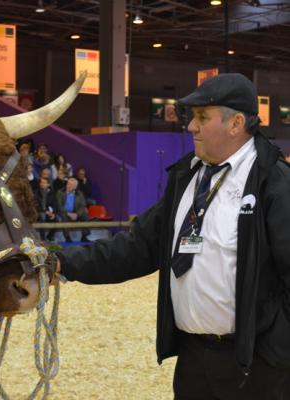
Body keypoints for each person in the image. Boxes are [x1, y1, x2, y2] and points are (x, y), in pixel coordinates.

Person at [51, 73, 290, 399]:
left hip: (257, 366)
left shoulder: (274, 182)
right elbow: (136, 248)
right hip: (193, 360)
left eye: (202, 118)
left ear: (235, 124)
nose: (191, 126)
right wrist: (60, 261)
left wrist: (277, 350)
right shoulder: (186, 178)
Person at [56, 177, 90, 242]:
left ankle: (84, 236)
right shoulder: (60, 192)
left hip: (75, 213)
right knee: (63, 217)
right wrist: (68, 214)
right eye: (68, 184)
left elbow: (82, 206)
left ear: (75, 187)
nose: (68, 186)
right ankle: (67, 238)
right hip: (64, 213)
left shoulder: (79, 194)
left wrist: (77, 214)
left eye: (71, 185)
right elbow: (59, 206)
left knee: (85, 214)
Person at [34, 177, 59, 241]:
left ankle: (50, 236)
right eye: (41, 182)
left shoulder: (52, 193)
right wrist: (45, 211)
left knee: (57, 219)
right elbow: (35, 205)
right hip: (39, 212)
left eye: (44, 183)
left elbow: (55, 205)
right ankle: (43, 239)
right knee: (42, 217)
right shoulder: (36, 192)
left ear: (48, 184)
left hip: (49, 212)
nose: (42, 184)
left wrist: (54, 214)